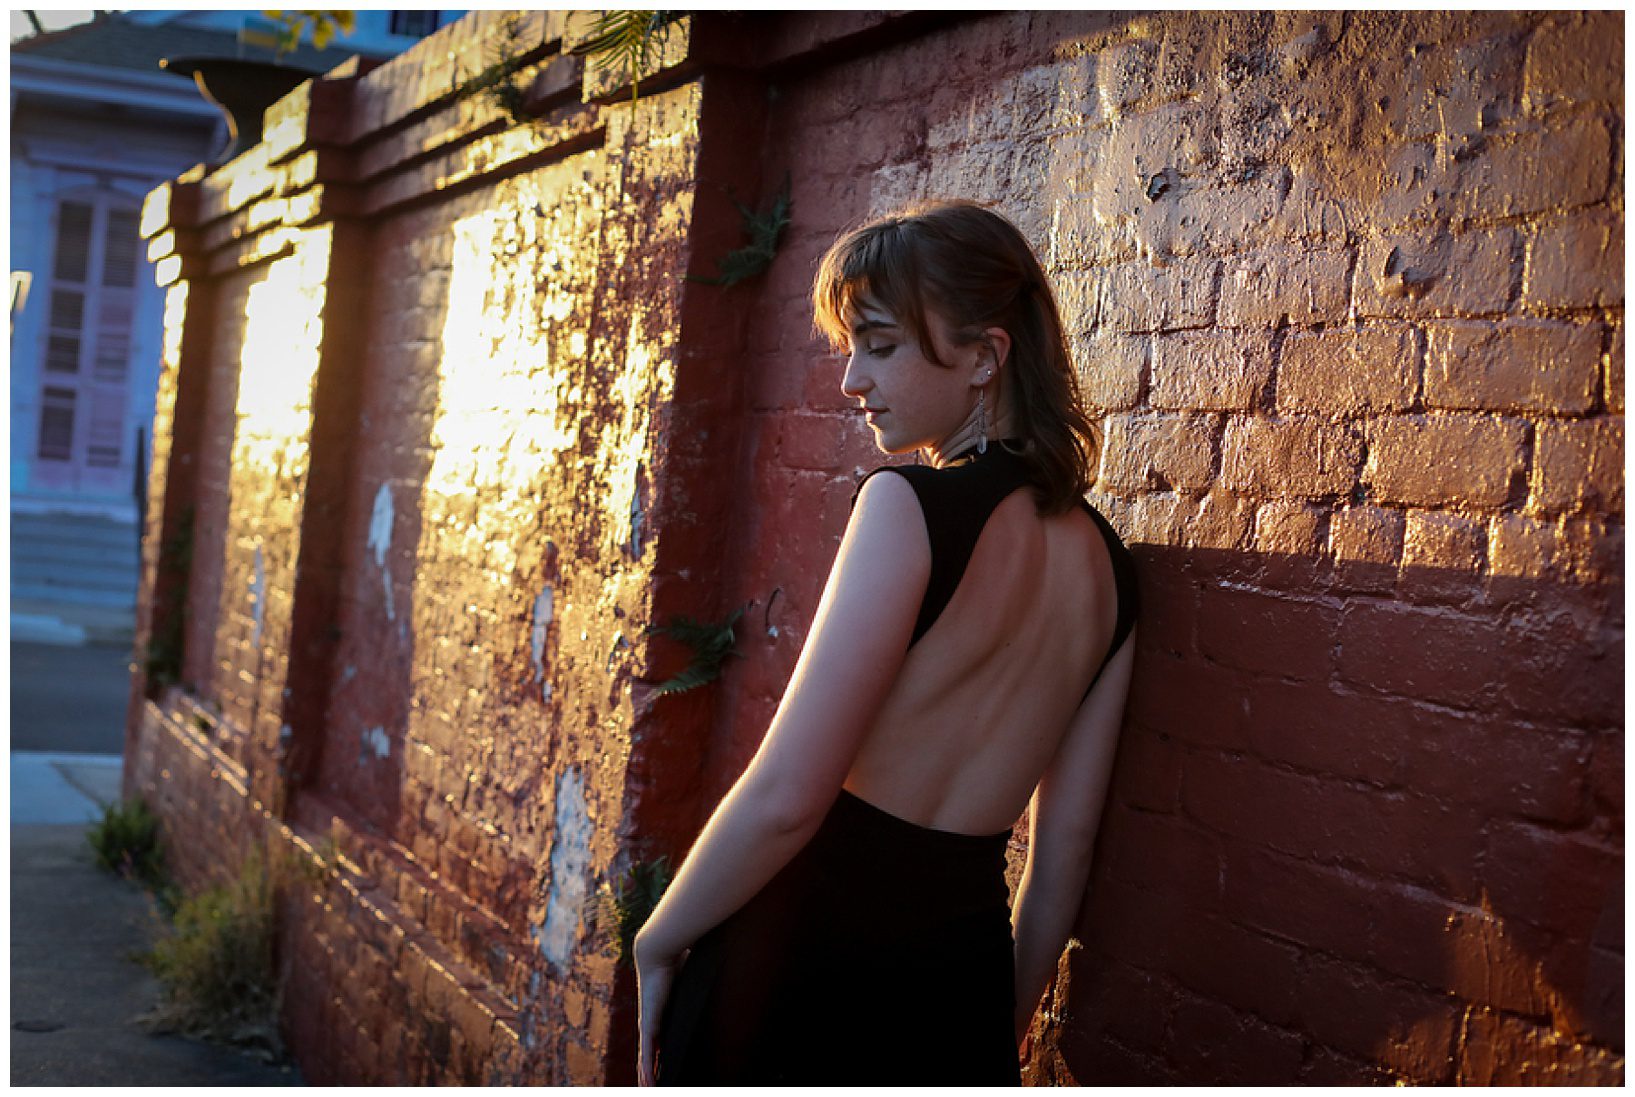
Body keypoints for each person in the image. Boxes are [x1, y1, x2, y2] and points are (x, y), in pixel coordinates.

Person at [633, 199, 1140, 1085]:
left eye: (880, 344)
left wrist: (657, 936)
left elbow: (789, 793)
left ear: (985, 355)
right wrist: (993, 1028)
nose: (851, 382)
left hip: (796, 965)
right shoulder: (1113, 571)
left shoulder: (903, 506)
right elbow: (1064, 851)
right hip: (958, 978)